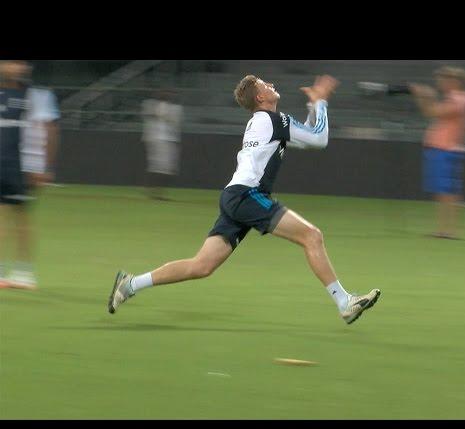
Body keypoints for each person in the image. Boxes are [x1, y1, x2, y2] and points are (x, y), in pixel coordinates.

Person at [108, 75, 381, 324]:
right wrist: (320, 100)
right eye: (265, 85)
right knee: (312, 236)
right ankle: (344, 301)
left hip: (235, 196)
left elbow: (306, 137)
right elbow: (319, 139)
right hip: (247, 195)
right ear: (260, 97)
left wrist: (313, 106)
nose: (271, 84)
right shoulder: (274, 121)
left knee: (201, 266)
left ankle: (130, 284)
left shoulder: (265, 122)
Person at [0, 60, 58, 290]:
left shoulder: (37, 96)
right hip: (3, 163)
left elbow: (49, 129)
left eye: (18, 64)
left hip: (21, 166)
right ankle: (5, 271)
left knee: (21, 218)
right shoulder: (3, 94)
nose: (13, 68)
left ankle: (24, 273)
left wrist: (44, 167)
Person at [409, 66, 465, 239]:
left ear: (454, 81)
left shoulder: (459, 100)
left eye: (443, 80)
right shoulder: (462, 99)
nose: (440, 83)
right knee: (447, 191)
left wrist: (424, 96)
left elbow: (432, 112)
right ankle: (446, 229)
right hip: (448, 148)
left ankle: (447, 230)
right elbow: (431, 112)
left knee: (446, 191)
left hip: (445, 148)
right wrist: (425, 97)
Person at [141, 89, 183, 200]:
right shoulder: (151, 105)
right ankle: (154, 192)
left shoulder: (174, 108)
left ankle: (157, 192)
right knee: (159, 167)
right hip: (158, 139)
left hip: (167, 139)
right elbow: (154, 115)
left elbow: (173, 120)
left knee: (167, 168)